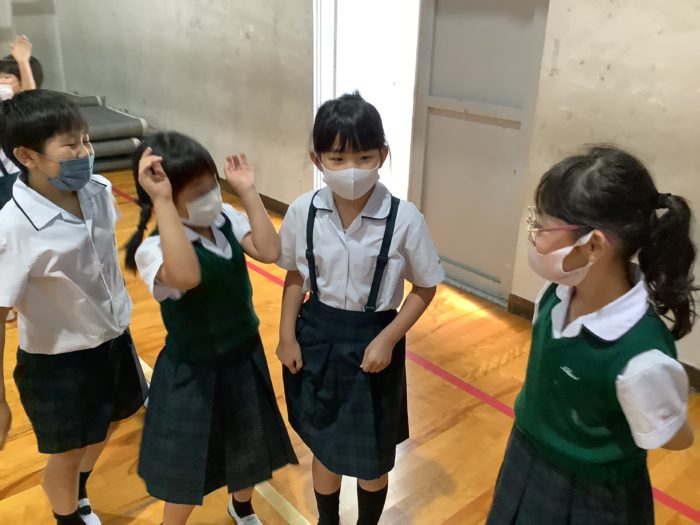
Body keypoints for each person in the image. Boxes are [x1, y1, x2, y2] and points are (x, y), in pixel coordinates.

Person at [487, 146, 695, 525]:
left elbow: (675, 437)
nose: (534, 237)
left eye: (542, 227)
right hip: (526, 452)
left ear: (594, 245)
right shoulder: (554, 294)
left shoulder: (640, 358)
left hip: (594, 494)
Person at [276, 92, 444, 525]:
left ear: (382, 155)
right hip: (317, 336)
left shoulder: (405, 219)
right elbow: (295, 275)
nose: (351, 168)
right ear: (317, 159)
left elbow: (426, 286)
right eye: (337, 158)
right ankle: (327, 521)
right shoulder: (303, 211)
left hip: (375, 341)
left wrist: (389, 338)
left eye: (364, 156)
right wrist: (286, 335)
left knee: (373, 458)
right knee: (325, 446)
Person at [125, 132, 298, 525]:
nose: (211, 197)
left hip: (243, 355)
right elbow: (187, 276)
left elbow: (270, 251)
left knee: (248, 444)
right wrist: (163, 203)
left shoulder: (224, 219)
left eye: (212, 185)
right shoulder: (153, 250)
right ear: (165, 198)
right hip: (193, 369)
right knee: (186, 464)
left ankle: (241, 506)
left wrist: (248, 191)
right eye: (198, 192)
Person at [0, 90, 148, 525]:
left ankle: (78, 493)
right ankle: (67, 515)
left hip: (113, 338)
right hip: (59, 362)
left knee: (108, 424)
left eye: (86, 140)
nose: (85, 153)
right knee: (65, 453)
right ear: (27, 156)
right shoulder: (13, 228)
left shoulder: (98, 190)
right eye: (70, 145)